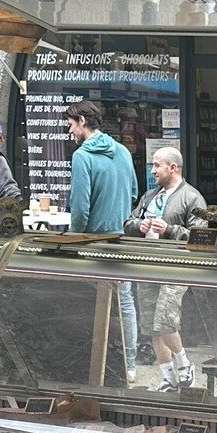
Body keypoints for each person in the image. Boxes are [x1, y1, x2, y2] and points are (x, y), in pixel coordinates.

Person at [65, 100, 141, 376]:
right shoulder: (122, 151)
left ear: (83, 121)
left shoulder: (82, 156)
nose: (69, 130)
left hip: (92, 242)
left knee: (91, 304)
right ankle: (129, 365)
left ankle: (96, 365)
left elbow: (81, 207)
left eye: (71, 124)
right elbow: (134, 192)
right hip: (120, 239)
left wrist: (75, 240)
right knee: (125, 301)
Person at [126, 146, 209, 391]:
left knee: (166, 321)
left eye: (157, 165)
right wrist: (139, 226)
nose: (152, 171)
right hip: (147, 266)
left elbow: (201, 235)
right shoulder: (150, 196)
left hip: (174, 268)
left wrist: (170, 230)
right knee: (151, 325)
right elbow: (128, 222)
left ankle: (184, 365)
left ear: (172, 167)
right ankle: (168, 377)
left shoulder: (192, 197)